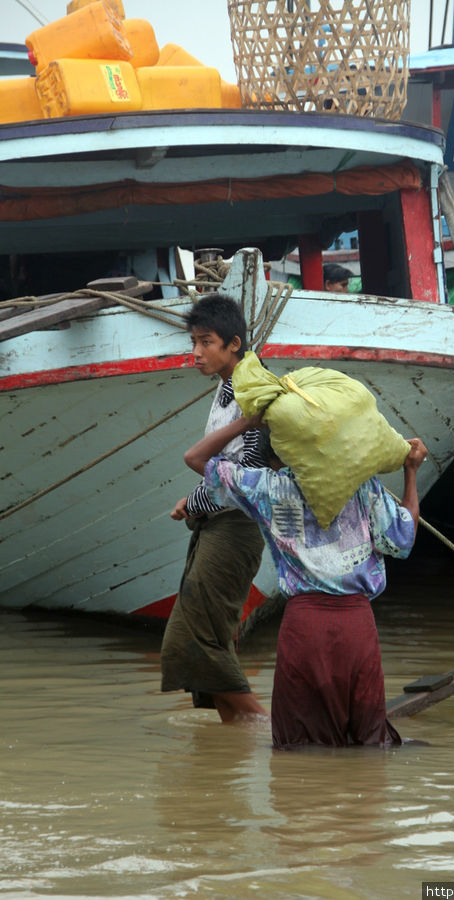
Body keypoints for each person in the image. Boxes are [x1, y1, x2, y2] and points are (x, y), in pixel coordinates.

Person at [183, 414, 428, 750]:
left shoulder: (268, 488)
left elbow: (195, 458)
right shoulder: (361, 486)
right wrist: (411, 473)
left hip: (304, 626)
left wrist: (246, 423)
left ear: (274, 458)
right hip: (357, 627)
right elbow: (403, 539)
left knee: (298, 747)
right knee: (369, 744)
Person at [160, 293, 268, 723]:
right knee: (211, 641)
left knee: (190, 640)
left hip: (236, 527)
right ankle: (235, 746)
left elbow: (249, 471)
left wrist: (193, 502)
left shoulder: (254, 393)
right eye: (193, 342)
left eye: (205, 342)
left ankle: (273, 732)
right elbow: (225, 468)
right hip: (215, 525)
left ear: (234, 344)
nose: (196, 353)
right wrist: (197, 502)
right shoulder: (227, 390)